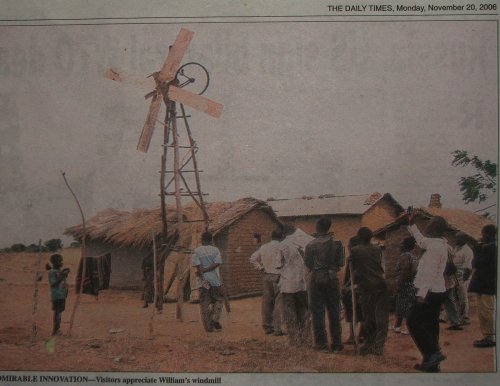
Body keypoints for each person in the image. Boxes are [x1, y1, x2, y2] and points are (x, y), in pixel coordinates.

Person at [407, 214, 449, 372]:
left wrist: (421, 295)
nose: (427, 226)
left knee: (413, 321)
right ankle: (431, 363)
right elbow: (421, 241)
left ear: (435, 228)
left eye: (430, 224)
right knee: (431, 326)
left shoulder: (436, 247)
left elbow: (429, 274)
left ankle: (433, 353)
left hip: (429, 292)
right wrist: (412, 225)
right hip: (436, 291)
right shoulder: (436, 243)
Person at [304, 216, 344, 353]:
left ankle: (321, 345)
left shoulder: (310, 245)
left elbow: (308, 264)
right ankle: (337, 345)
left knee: (317, 313)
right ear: (329, 227)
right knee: (334, 312)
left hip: (316, 279)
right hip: (332, 279)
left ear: (317, 227)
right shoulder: (338, 243)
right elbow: (341, 263)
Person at [350, 227, 389, 356]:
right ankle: (378, 346)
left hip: (367, 287)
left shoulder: (355, 250)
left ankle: (370, 343)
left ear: (359, 238)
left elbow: (354, 269)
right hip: (380, 284)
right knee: (381, 317)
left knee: (368, 317)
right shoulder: (377, 249)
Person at [277, 225, 308, 346]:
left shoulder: (283, 245)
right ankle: (304, 337)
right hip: (301, 283)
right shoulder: (301, 244)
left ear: (284, 234)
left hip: (288, 285)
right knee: (302, 310)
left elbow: (278, 264)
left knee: (290, 312)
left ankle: (293, 339)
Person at [249, 228, 284, 335]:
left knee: (267, 302)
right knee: (278, 303)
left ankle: (267, 327)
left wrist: (260, 268)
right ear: (281, 237)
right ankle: (278, 328)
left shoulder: (264, 247)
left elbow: (252, 258)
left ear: (271, 237)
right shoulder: (282, 247)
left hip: (267, 275)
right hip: (278, 276)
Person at [468, 224, 497, 348]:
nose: (482, 236)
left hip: (486, 285)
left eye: (484, 234)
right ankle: (488, 336)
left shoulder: (490, 248)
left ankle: (490, 337)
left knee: (486, 311)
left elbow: (476, 263)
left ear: (489, 234)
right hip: (485, 284)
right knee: (484, 311)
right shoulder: (490, 247)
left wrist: (477, 250)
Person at [192, 231, 224, 333]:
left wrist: (203, 273)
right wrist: (207, 270)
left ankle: (209, 328)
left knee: (204, 304)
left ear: (202, 240)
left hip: (202, 281)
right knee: (219, 299)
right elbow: (217, 263)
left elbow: (198, 267)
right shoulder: (216, 250)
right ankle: (215, 319)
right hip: (214, 280)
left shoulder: (197, 251)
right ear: (211, 240)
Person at [393, 236, 418, 335]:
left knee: (407, 307)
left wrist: (399, 284)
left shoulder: (404, 256)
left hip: (405, 285)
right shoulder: (414, 257)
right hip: (412, 284)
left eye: (401, 243)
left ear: (404, 245)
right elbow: (414, 271)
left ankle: (410, 328)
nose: (399, 245)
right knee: (402, 306)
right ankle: (397, 326)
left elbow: (406, 270)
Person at [342, 236, 364, 344]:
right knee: (358, 312)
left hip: (355, 288)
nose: (348, 246)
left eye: (349, 244)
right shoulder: (353, 257)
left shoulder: (354, 258)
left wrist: (347, 285)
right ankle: (357, 335)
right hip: (356, 287)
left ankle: (355, 335)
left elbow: (355, 273)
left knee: (353, 311)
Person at [451, 232, 473, 325]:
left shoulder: (467, 251)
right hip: (454, 274)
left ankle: (465, 318)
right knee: (455, 297)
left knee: (463, 297)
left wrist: (464, 280)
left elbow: (468, 268)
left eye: (458, 238)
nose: (456, 240)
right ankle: (456, 317)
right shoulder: (456, 248)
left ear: (464, 240)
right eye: (456, 238)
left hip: (463, 275)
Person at [47, 254, 69, 336]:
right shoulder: (52, 272)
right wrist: (63, 275)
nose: (61, 262)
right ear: (54, 262)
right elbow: (53, 284)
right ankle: (56, 330)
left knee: (59, 312)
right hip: (57, 296)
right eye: (60, 261)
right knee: (57, 313)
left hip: (62, 295)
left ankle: (57, 329)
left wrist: (63, 272)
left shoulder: (58, 271)